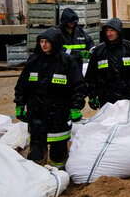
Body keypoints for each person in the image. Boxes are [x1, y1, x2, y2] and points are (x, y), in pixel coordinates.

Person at [14, 28, 86, 169]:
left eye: (47, 42)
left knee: (58, 155)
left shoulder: (67, 62)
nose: (44, 45)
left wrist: (76, 106)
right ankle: (38, 178)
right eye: (41, 41)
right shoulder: (34, 61)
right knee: (36, 154)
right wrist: (20, 104)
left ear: (56, 42)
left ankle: (59, 175)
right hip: (36, 115)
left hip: (58, 115)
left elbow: (79, 86)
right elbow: (22, 85)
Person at [86, 18, 130, 109]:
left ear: (118, 31)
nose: (109, 34)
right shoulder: (99, 51)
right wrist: (92, 96)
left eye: (112, 30)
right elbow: (91, 76)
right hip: (107, 99)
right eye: (107, 31)